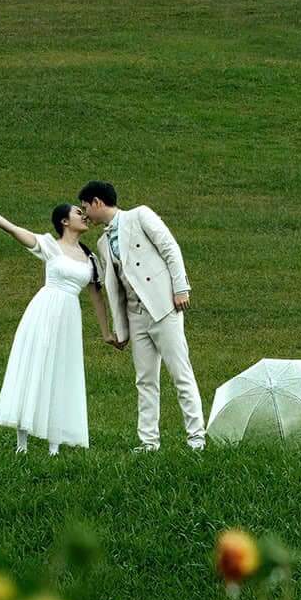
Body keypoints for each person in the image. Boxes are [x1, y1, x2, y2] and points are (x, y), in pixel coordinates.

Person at [0, 195, 115, 454]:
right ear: (64, 221)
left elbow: (96, 297)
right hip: (44, 310)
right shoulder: (49, 245)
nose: (84, 215)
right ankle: (21, 444)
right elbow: (12, 228)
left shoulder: (89, 257)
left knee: (60, 371)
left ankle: (54, 445)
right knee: (34, 366)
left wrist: (106, 333)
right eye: (78, 213)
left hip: (68, 317)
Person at [78, 180, 206, 451]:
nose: (85, 213)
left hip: (163, 307)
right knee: (145, 380)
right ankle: (148, 441)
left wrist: (181, 287)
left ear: (98, 202)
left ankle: (197, 439)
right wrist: (121, 329)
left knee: (180, 374)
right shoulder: (102, 242)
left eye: (85, 206)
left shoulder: (140, 215)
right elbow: (117, 290)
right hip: (136, 316)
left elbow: (170, 248)